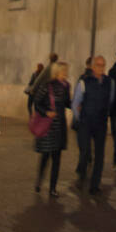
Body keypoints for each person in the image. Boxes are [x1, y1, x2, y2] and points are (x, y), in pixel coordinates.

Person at [74, 54, 114, 192]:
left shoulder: (110, 82)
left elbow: (110, 100)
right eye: (98, 65)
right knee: (85, 152)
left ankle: (95, 185)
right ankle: (81, 176)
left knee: (100, 155)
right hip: (86, 122)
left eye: (103, 65)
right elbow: (75, 103)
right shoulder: (84, 82)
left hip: (101, 123)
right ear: (92, 67)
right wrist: (81, 118)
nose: (101, 68)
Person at [33, 61, 71, 196]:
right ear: (57, 72)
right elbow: (37, 103)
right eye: (64, 71)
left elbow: (67, 104)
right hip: (48, 127)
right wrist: (46, 112)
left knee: (57, 158)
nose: (66, 73)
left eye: (66, 71)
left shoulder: (66, 86)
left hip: (60, 126)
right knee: (45, 156)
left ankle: (53, 188)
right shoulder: (47, 85)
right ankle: (39, 181)